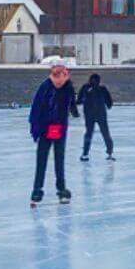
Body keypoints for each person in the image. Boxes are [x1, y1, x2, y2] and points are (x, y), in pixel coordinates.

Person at [27, 59, 79, 205]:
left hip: (59, 128)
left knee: (59, 160)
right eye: (57, 77)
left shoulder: (68, 87)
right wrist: (35, 129)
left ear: (66, 75)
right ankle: (37, 191)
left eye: (62, 77)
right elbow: (36, 108)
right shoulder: (45, 87)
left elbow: (71, 104)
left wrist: (75, 110)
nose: (59, 81)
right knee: (41, 160)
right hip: (45, 128)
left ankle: (61, 190)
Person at [77, 72, 114, 161]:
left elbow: (79, 100)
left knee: (89, 133)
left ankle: (85, 153)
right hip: (101, 114)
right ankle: (110, 153)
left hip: (89, 115)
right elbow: (109, 103)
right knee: (105, 133)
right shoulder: (102, 89)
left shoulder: (85, 88)